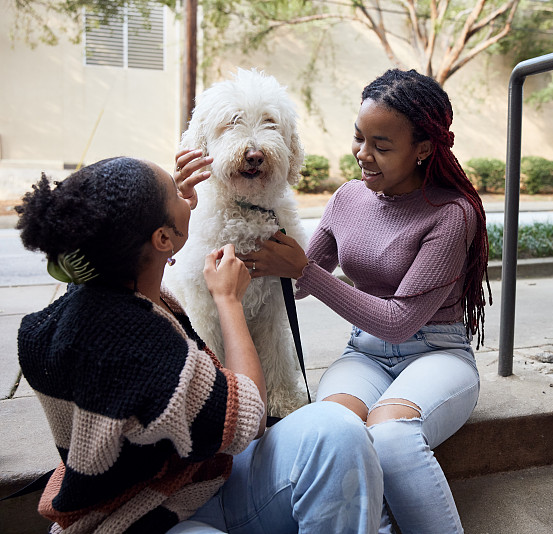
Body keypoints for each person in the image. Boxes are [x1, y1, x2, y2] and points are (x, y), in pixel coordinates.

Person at [178, 69, 491, 533]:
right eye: (359, 138)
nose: (363, 154)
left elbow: (397, 320)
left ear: (423, 149)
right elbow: (293, 283)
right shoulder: (348, 198)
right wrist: (190, 213)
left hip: (435, 352)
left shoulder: (452, 214)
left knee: (391, 435)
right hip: (364, 354)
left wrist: (302, 270)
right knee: (333, 435)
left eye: (381, 146)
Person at [15, 157, 383, 534]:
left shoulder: (83, 303)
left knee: (338, 429)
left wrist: (165, 213)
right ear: (161, 239)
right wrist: (228, 299)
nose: (188, 195)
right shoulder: (137, 346)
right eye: (176, 194)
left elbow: (133, 256)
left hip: (204, 481)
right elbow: (249, 416)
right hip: (146, 517)